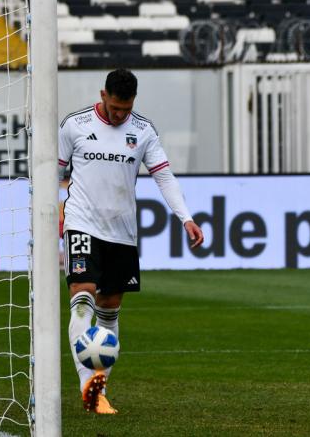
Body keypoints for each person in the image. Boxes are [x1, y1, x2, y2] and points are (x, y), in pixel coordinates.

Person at [58, 68, 204, 415]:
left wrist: (186, 217)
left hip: (121, 233)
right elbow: (54, 170)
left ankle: (99, 388)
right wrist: (52, 214)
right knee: (82, 294)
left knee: (109, 308)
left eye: (126, 108)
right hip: (82, 223)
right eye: (115, 107)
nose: (120, 114)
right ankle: (87, 384)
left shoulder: (143, 131)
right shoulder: (74, 125)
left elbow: (163, 176)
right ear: (103, 95)